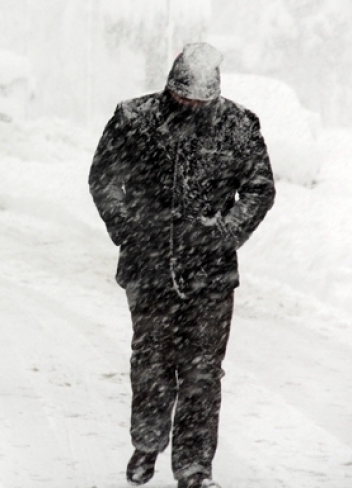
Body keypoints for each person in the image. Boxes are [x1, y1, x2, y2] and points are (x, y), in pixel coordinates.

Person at [88, 43, 275, 488]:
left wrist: (224, 231)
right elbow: (104, 177)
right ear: (171, 86)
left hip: (211, 274)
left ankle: (194, 467)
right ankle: (148, 442)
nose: (190, 106)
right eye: (183, 97)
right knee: (152, 362)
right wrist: (129, 227)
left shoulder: (239, 126)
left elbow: (259, 188)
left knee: (203, 371)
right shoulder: (134, 120)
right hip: (149, 268)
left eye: (200, 101)